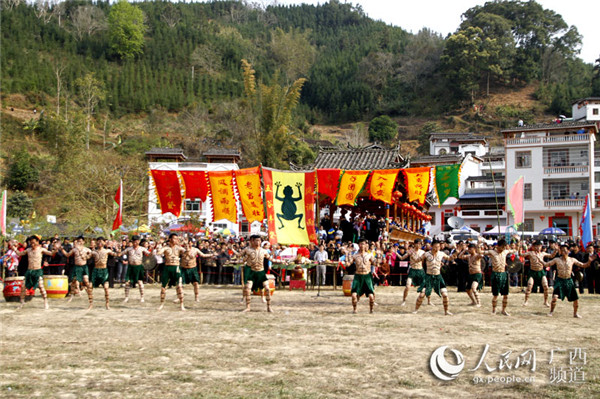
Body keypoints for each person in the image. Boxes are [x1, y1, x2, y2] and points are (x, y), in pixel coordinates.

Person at [543, 244, 595, 318]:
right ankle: (551, 312)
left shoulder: (572, 260)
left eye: (565, 250)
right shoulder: (557, 260)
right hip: (560, 280)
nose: (564, 251)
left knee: (575, 299)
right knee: (554, 298)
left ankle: (575, 313)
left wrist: (589, 262)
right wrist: (539, 260)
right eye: (562, 250)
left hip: (568, 280)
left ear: (568, 251)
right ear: (560, 251)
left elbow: (583, 265)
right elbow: (546, 264)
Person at [412, 240, 456, 316]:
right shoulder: (426, 254)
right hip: (428, 276)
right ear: (432, 246)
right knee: (422, 294)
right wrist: (412, 255)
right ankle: (416, 309)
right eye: (435, 247)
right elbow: (417, 260)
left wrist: (457, 252)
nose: (437, 248)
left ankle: (446, 311)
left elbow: (449, 258)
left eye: (438, 247)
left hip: (438, 276)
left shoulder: (441, 254)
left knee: (445, 295)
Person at [240, 235, 283, 312]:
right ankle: (248, 307)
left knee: (267, 289)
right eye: (256, 240)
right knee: (248, 289)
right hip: (252, 272)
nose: (258, 242)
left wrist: (281, 261)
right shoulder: (248, 250)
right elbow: (242, 259)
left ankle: (269, 307)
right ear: (252, 241)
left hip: (261, 272)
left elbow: (271, 259)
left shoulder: (264, 251)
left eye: (259, 241)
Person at [10, 236, 55, 309]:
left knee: (41, 286)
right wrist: (14, 248)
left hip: (37, 270)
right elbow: (19, 254)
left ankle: (45, 302)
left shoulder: (41, 250)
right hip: (29, 271)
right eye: (31, 243)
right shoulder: (28, 250)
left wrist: (55, 249)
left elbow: (51, 253)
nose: (32, 244)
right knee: (23, 287)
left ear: (37, 242)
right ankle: (22, 302)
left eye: (34, 243)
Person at [483, 239, 519, 316]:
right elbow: (481, 252)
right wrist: (479, 244)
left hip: (503, 274)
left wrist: (518, 242)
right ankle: (494, 310)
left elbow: (515, 250)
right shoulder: (492, 252)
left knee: (505, 294)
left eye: (504, 247)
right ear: (497, 246)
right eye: (502, 247)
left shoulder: (505, 251)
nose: (503, 249)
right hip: (496, 273)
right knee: (495, 294)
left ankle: (504, 310)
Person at [157, 233, 186, 311]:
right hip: (167, 267)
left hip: (176, 267)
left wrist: (186, 244)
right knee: (163, 287)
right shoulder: (166, 248)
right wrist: (159, 245)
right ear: (170, 239)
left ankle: (182, 304)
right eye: (174, 238)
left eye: (177, 238)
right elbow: (159, 253)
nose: (176, 240)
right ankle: (161, 304)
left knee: (179, 286)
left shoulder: (179, 248)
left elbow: (186, 252)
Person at [346, 238, 376, 314]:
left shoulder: (369, 255)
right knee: (353, 295)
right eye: (360, 244)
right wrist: (347, 255)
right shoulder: (355, 256)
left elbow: (376, 264)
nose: (362, 245)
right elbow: (348, 264)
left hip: (367, 276)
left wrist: (379, 256)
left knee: (371, 296)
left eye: (363, 244)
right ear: (358, 245)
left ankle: (371, 309)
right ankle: (354, 309)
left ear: (366, 245)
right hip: (358, 276)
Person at [521, 240, 553, 307]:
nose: (538, 248)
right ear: (533, 247)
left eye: (539, 246)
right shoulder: (530, 253)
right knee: (529, 286)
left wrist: (555, 250)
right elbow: (521, 255)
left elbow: (551, 256)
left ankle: (546, 301)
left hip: (541, 271)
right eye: (536, 246)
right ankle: (526, 301)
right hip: (532, 272)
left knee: (546, 286)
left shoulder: (543, 253)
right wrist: (519, 248)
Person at [400, 239, 432, 306]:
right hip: (412, 270)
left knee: (426, 286)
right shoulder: (410, 251)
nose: (419, 245)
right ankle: (404, 300)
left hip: (420, 270)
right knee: (407, 286)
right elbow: (402, 258)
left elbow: (428, 260)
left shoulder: (423, 252)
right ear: (414, 244)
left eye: (420, 244)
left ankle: (429, 301)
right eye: (418, 243)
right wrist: (396, 253)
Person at [121, 235, 152, 303]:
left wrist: (153, 250)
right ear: (132, 242)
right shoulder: (129, 249)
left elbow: (149, 254)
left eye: (137, 241)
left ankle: (142, 297)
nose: (135, 243)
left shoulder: (142, 249)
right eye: (134, 241)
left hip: (139, 267)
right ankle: (126, 297)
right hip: (131, 267)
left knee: (140, 282)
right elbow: (121, 253)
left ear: (138, 241)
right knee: (127, 283)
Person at [63, 236, 93, 306]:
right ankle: (72, 296)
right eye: (78, 241)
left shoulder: (86, 249)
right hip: (77, 267)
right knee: (74, 282)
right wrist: (62, 250)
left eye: (81, 241)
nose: (80, 242)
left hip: (84, 267)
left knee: (86, 281)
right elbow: (67, 255)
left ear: (83, 242)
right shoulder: (74, 250)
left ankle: (89, 294)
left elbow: (91, 255)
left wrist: (86, 257)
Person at [90, 237, 118, 310]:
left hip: (104, 271)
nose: (99, 243)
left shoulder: (107, 251)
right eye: (98, 241)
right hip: (95, 270)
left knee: (106, 288)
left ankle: (107, 304)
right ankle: (90, 304)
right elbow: (86, 257)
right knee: (90, 287)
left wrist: (117, 249)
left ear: (104, 243)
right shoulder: (93, 252)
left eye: (101, 241)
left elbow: (116, 254)